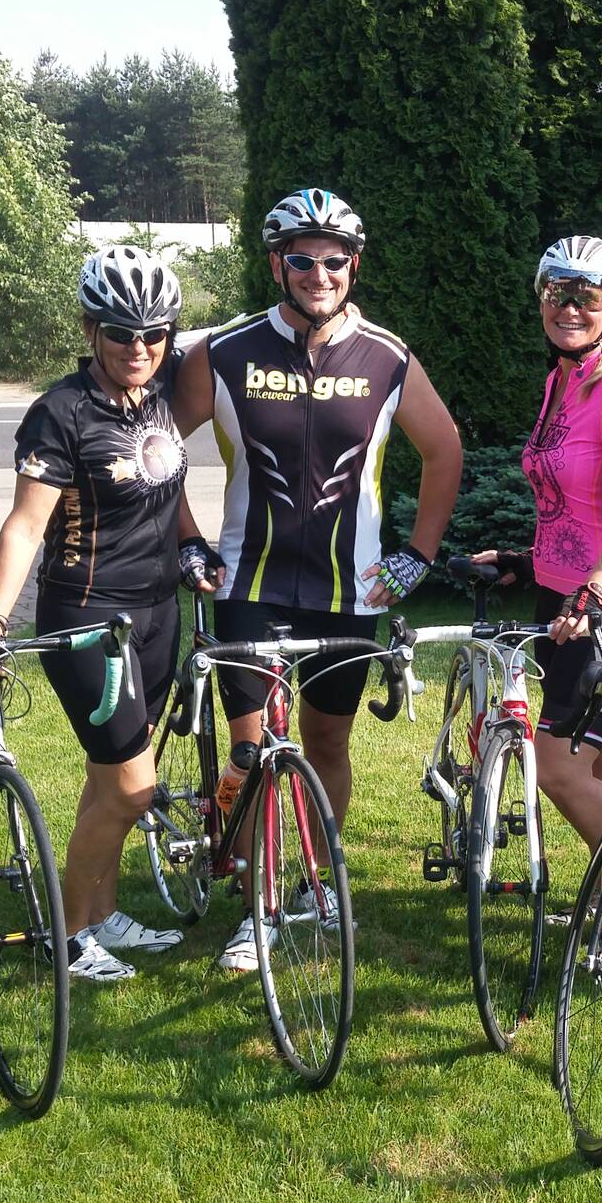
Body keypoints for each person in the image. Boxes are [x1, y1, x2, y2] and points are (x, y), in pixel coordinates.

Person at [170, 188, 464, 971]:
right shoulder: (225, 353)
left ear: (353, 266)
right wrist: (188, 540)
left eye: (335, 260)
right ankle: (257, 907)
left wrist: (418, 553)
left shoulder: (386, 356)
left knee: (328, 740)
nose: (319, 273)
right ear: (277, 265)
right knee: (257, 751)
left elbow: (444, 450)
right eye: (302, 259)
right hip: (249, 587)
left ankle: (315, 881)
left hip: (348, 592)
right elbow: (155, 445)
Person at [0, 245, 217, 984]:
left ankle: (103, 915)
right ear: (89, 329)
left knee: (109, 780)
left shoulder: (160, 395)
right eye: (119, 333)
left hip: (158, 612)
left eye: (154, 334)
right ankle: (67, 933)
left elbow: (163, 485)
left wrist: (191, 543)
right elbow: (25, 527)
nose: (138, 348)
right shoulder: (60, 413)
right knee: (133, 787)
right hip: (87, 619)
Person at [477, 235, 602, 953]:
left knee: (556, 766)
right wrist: (528, 562)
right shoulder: (561, 382)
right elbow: (570, 504)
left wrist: (596, 590)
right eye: (558, 292)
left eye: (588, 296)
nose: (571, 308)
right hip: (560, 597)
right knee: (597, 762)